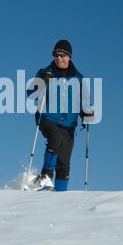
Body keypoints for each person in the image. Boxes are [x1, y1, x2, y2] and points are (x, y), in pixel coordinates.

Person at [28, 40, 94, 192]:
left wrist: (86, 112)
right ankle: (45, 178)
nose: (59, 58)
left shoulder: (78, 78)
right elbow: (31, 94)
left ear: (69, 56)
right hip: (47, 118)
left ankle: (60, 197)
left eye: (62, 55)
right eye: (56, 55)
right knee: (55, 140)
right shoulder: (45, 72)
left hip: (69, 123)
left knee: (64, 162)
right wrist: (40, 83)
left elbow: (84, 100)